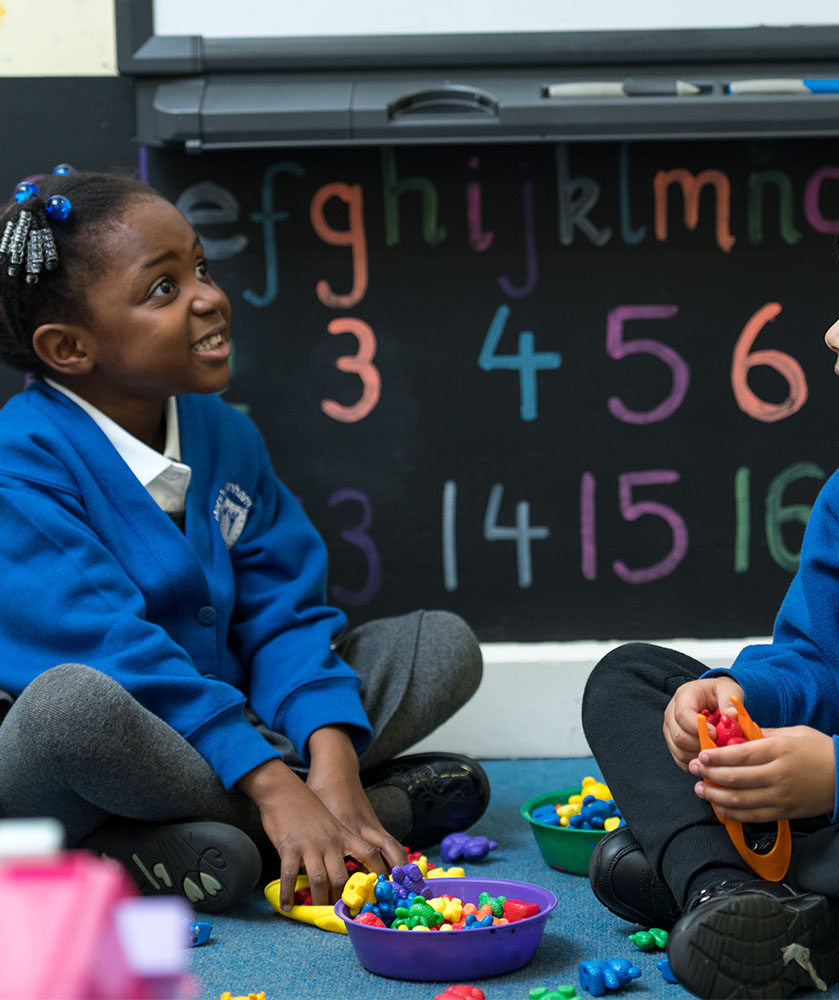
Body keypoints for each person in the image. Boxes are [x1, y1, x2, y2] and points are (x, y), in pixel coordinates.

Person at [0, 168, 487, 915]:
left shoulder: (225, 434)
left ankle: (212, 837)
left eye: (200, 267)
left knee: (442, 646)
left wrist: (327, 754)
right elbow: (111, 649)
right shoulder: (20, 462)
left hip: (229, 725)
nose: (208, 296)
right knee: (71, 708)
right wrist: (270, 780)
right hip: (86, 754)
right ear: (69, 347)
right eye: (163, 289)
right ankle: (334, 821)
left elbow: (282, 608)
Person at [583, 140, 839, 999]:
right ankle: (731, 891)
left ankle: (712, 872)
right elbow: (816, 659)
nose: (832, 334)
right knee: (629, 679)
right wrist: (743, 700)